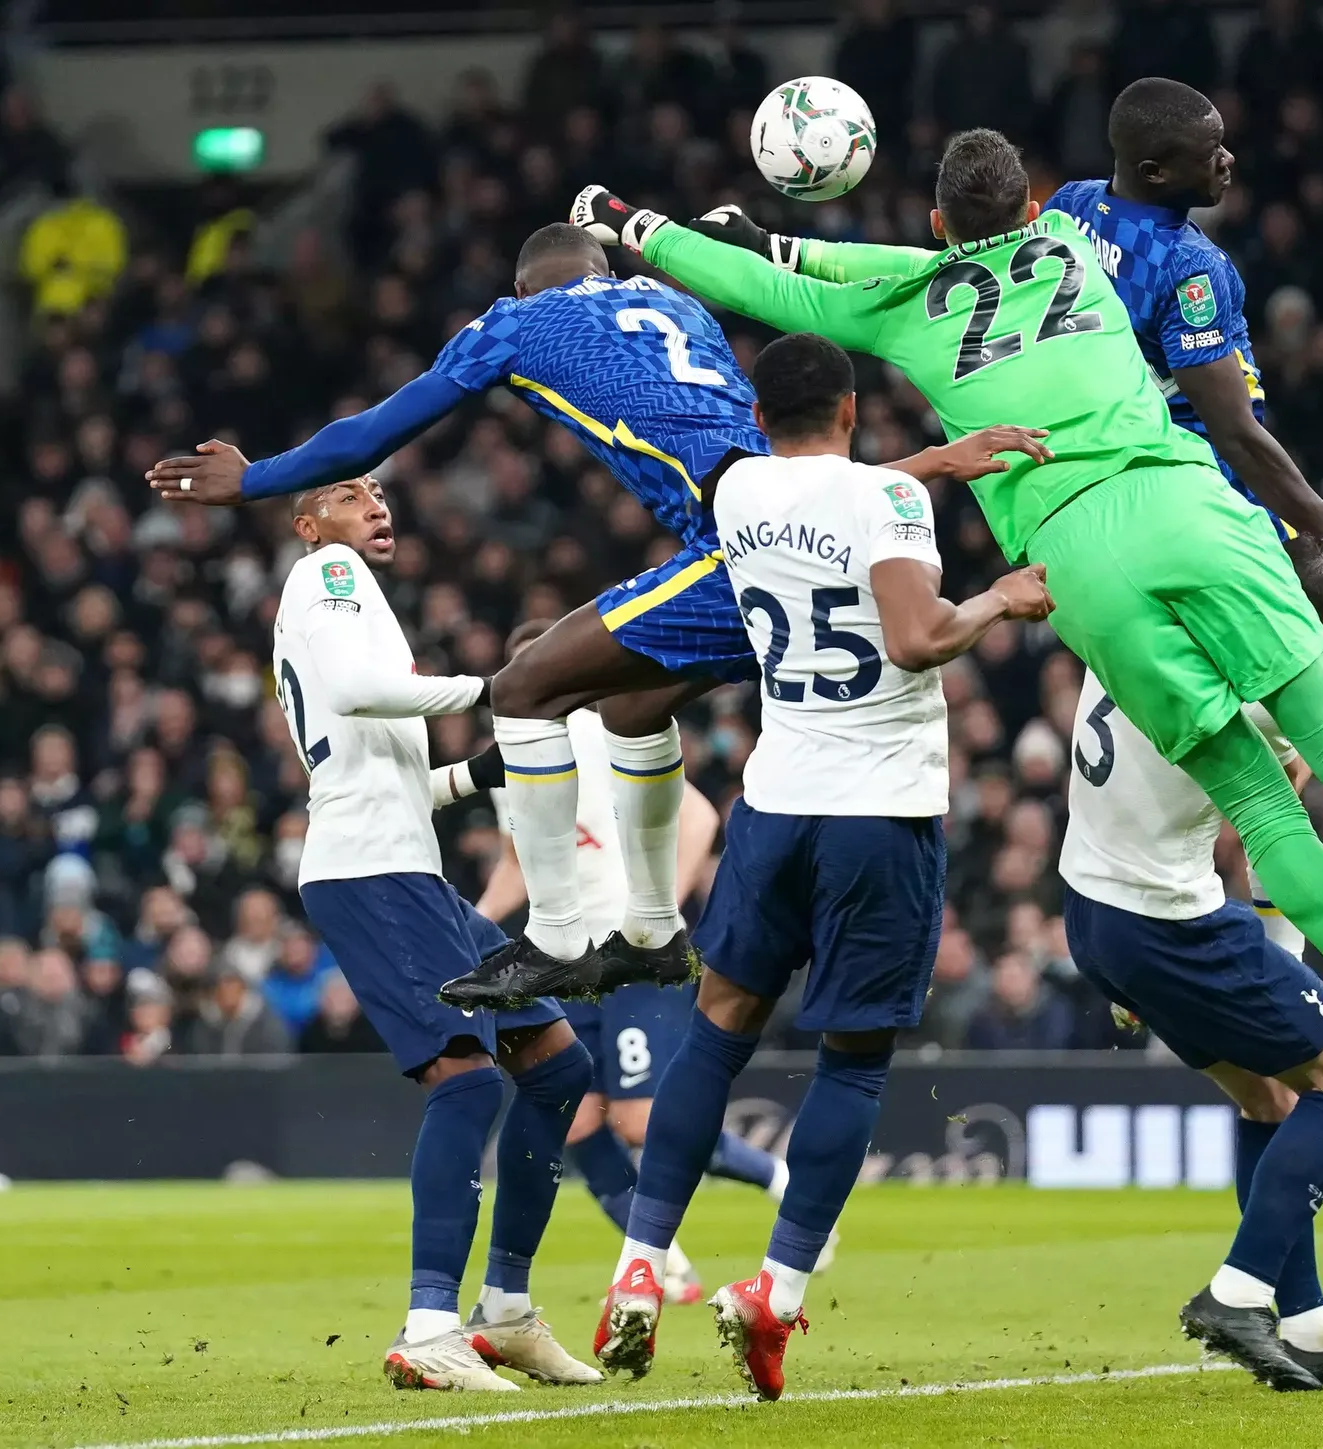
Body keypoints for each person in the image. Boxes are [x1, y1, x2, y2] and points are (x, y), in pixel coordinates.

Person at [573, 131, 1323, 1106]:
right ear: (1033, 206)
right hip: (1187, 505)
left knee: (1259, 805)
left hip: (1074, 551)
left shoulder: (911, 307)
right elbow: (880, 258)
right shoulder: (1077, 243)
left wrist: (632, 223)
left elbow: (782, 290)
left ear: (935, 225)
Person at [153, 224, 1052, 1011]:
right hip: (777, 526)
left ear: (522, 287)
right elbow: (785, 457)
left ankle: (558, 936)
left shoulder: (516, 323)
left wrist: (259, 478)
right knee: (628, 708)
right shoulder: (674, 306)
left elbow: (374, 434)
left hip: (731, 549)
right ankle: (654, 930)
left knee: (526, 684)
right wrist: (927, 461)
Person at [591, 333, 1053, 1399]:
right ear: (851, 411)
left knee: (714, 1035)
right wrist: (998, 599)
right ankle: (777, 1295)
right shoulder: (890, 509)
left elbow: (823, 497)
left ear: (760, 419)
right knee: (849, 1061)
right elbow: (914, 635)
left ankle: (639, 1261)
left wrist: (939, 460)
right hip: (876, 821)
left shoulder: (742, 488)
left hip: (774, 802)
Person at [1064, 534, 1323, 1390]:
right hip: (1168, 924)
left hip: (1091, 906)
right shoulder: (1270, 698)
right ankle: (1236, 1292)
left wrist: (1284, 982)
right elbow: (1277, 849)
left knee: (1273, 1093)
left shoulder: (1135, 608)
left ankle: (1308, 1327)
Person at [272, 475, 600, 1391]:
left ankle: (504, 1312)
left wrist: (478, 770)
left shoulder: (352, 601)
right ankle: (428, 1326)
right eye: (349, 492)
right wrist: (497, 688)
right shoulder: (328, 573)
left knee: (559, 1064)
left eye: (380, 490)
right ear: (309, 524)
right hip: (370, 871)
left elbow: (385, 766)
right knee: (463, 1084)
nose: (375, 503)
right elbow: (357, 690)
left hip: (404, 865)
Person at [433, 619, 809, 1307]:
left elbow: (696, 818)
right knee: (574, 1122)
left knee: (636, 1120)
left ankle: (781, 1182)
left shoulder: (604, 732)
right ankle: (666, 1267)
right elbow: (522, 861)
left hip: (628, 957)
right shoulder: (512, 757)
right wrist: (473, 931)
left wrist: (656, 906)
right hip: (563, 959)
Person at [1041, 79, 1323, 597]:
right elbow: (1233, 433)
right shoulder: (1191, 269)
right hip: (1213, 490)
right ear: (1155, 172)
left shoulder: (1069, 206)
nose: (1227, 159)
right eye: (1210, 153)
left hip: (1116, 474)